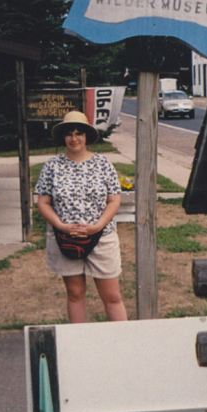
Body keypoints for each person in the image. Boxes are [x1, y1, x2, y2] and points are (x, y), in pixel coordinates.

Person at [35, 110, 128, 323]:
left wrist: (98, 226)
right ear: (63, 137)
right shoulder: (52, 166)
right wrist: (61, 225)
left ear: (86, 136)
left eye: (79, 133)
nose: (74, 138)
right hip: (65, 239)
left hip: (101, 237)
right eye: (69, 133)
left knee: (112, 296)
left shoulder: (103, 164)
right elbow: (43, 202)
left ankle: (124, 345)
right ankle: (79, 345)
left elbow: (114, 200)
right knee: (75, 293)